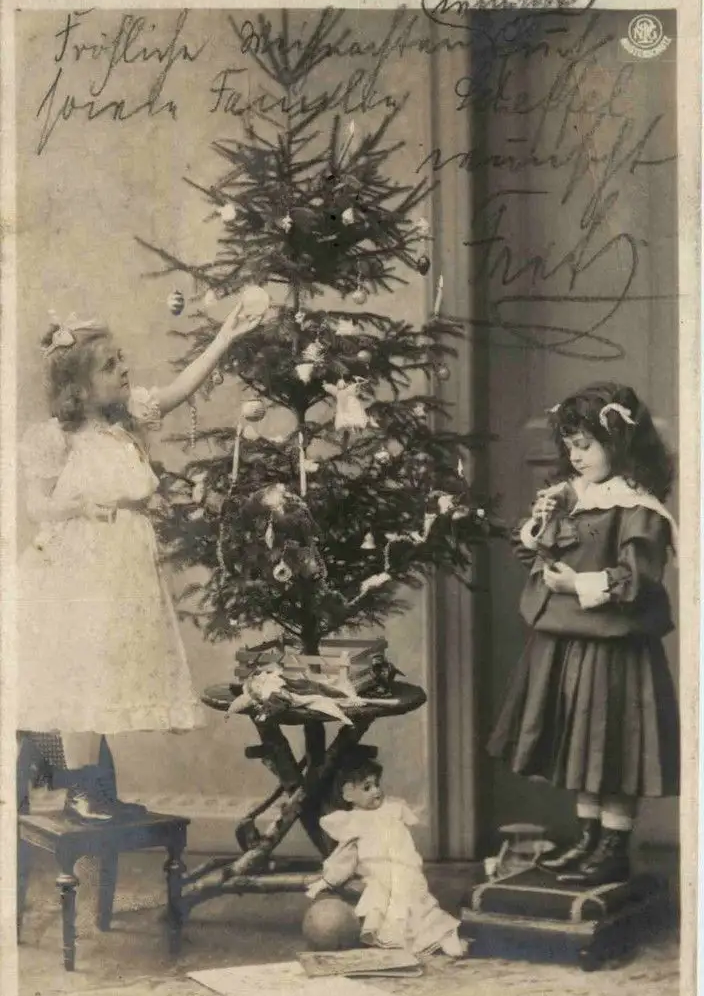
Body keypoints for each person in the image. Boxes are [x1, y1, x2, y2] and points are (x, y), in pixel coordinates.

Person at [17, 291, 268, 824]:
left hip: (126, 570)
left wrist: (225, 336)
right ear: (79, 389)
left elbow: (180, 388)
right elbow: (37, 505)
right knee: (86, 674)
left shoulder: (127, 420)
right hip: (83, 567)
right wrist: (80, 504)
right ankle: (81, 791)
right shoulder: (58, 438)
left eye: (121, 359)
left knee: (108, 673)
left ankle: (97, 790)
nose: (124, 368)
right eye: (110, 366)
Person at [488, 382, 679, 887]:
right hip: (570, 642)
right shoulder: (576, 498)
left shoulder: (638, 508)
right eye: (570, 445)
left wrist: (577, 584)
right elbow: (536, 553)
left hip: (616, 650)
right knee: (583, 745)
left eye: (585, 445)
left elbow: (638, 580)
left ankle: (613, 847)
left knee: (612, 749)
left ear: (618, 443)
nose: (575, 456)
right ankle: (589, 839)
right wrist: (541, 524)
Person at [306, 749, 467, 957]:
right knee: (385, 906)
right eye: (367, 788)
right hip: (380, 876)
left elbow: (414, 824)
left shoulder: (393, 809)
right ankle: (400, 942)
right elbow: (346, 858)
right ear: (348, 794)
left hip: (406, 869)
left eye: (376, 785)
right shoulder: (353, 822)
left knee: (420, 903)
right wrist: (327, 881)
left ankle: (444, 936)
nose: (376, 791)